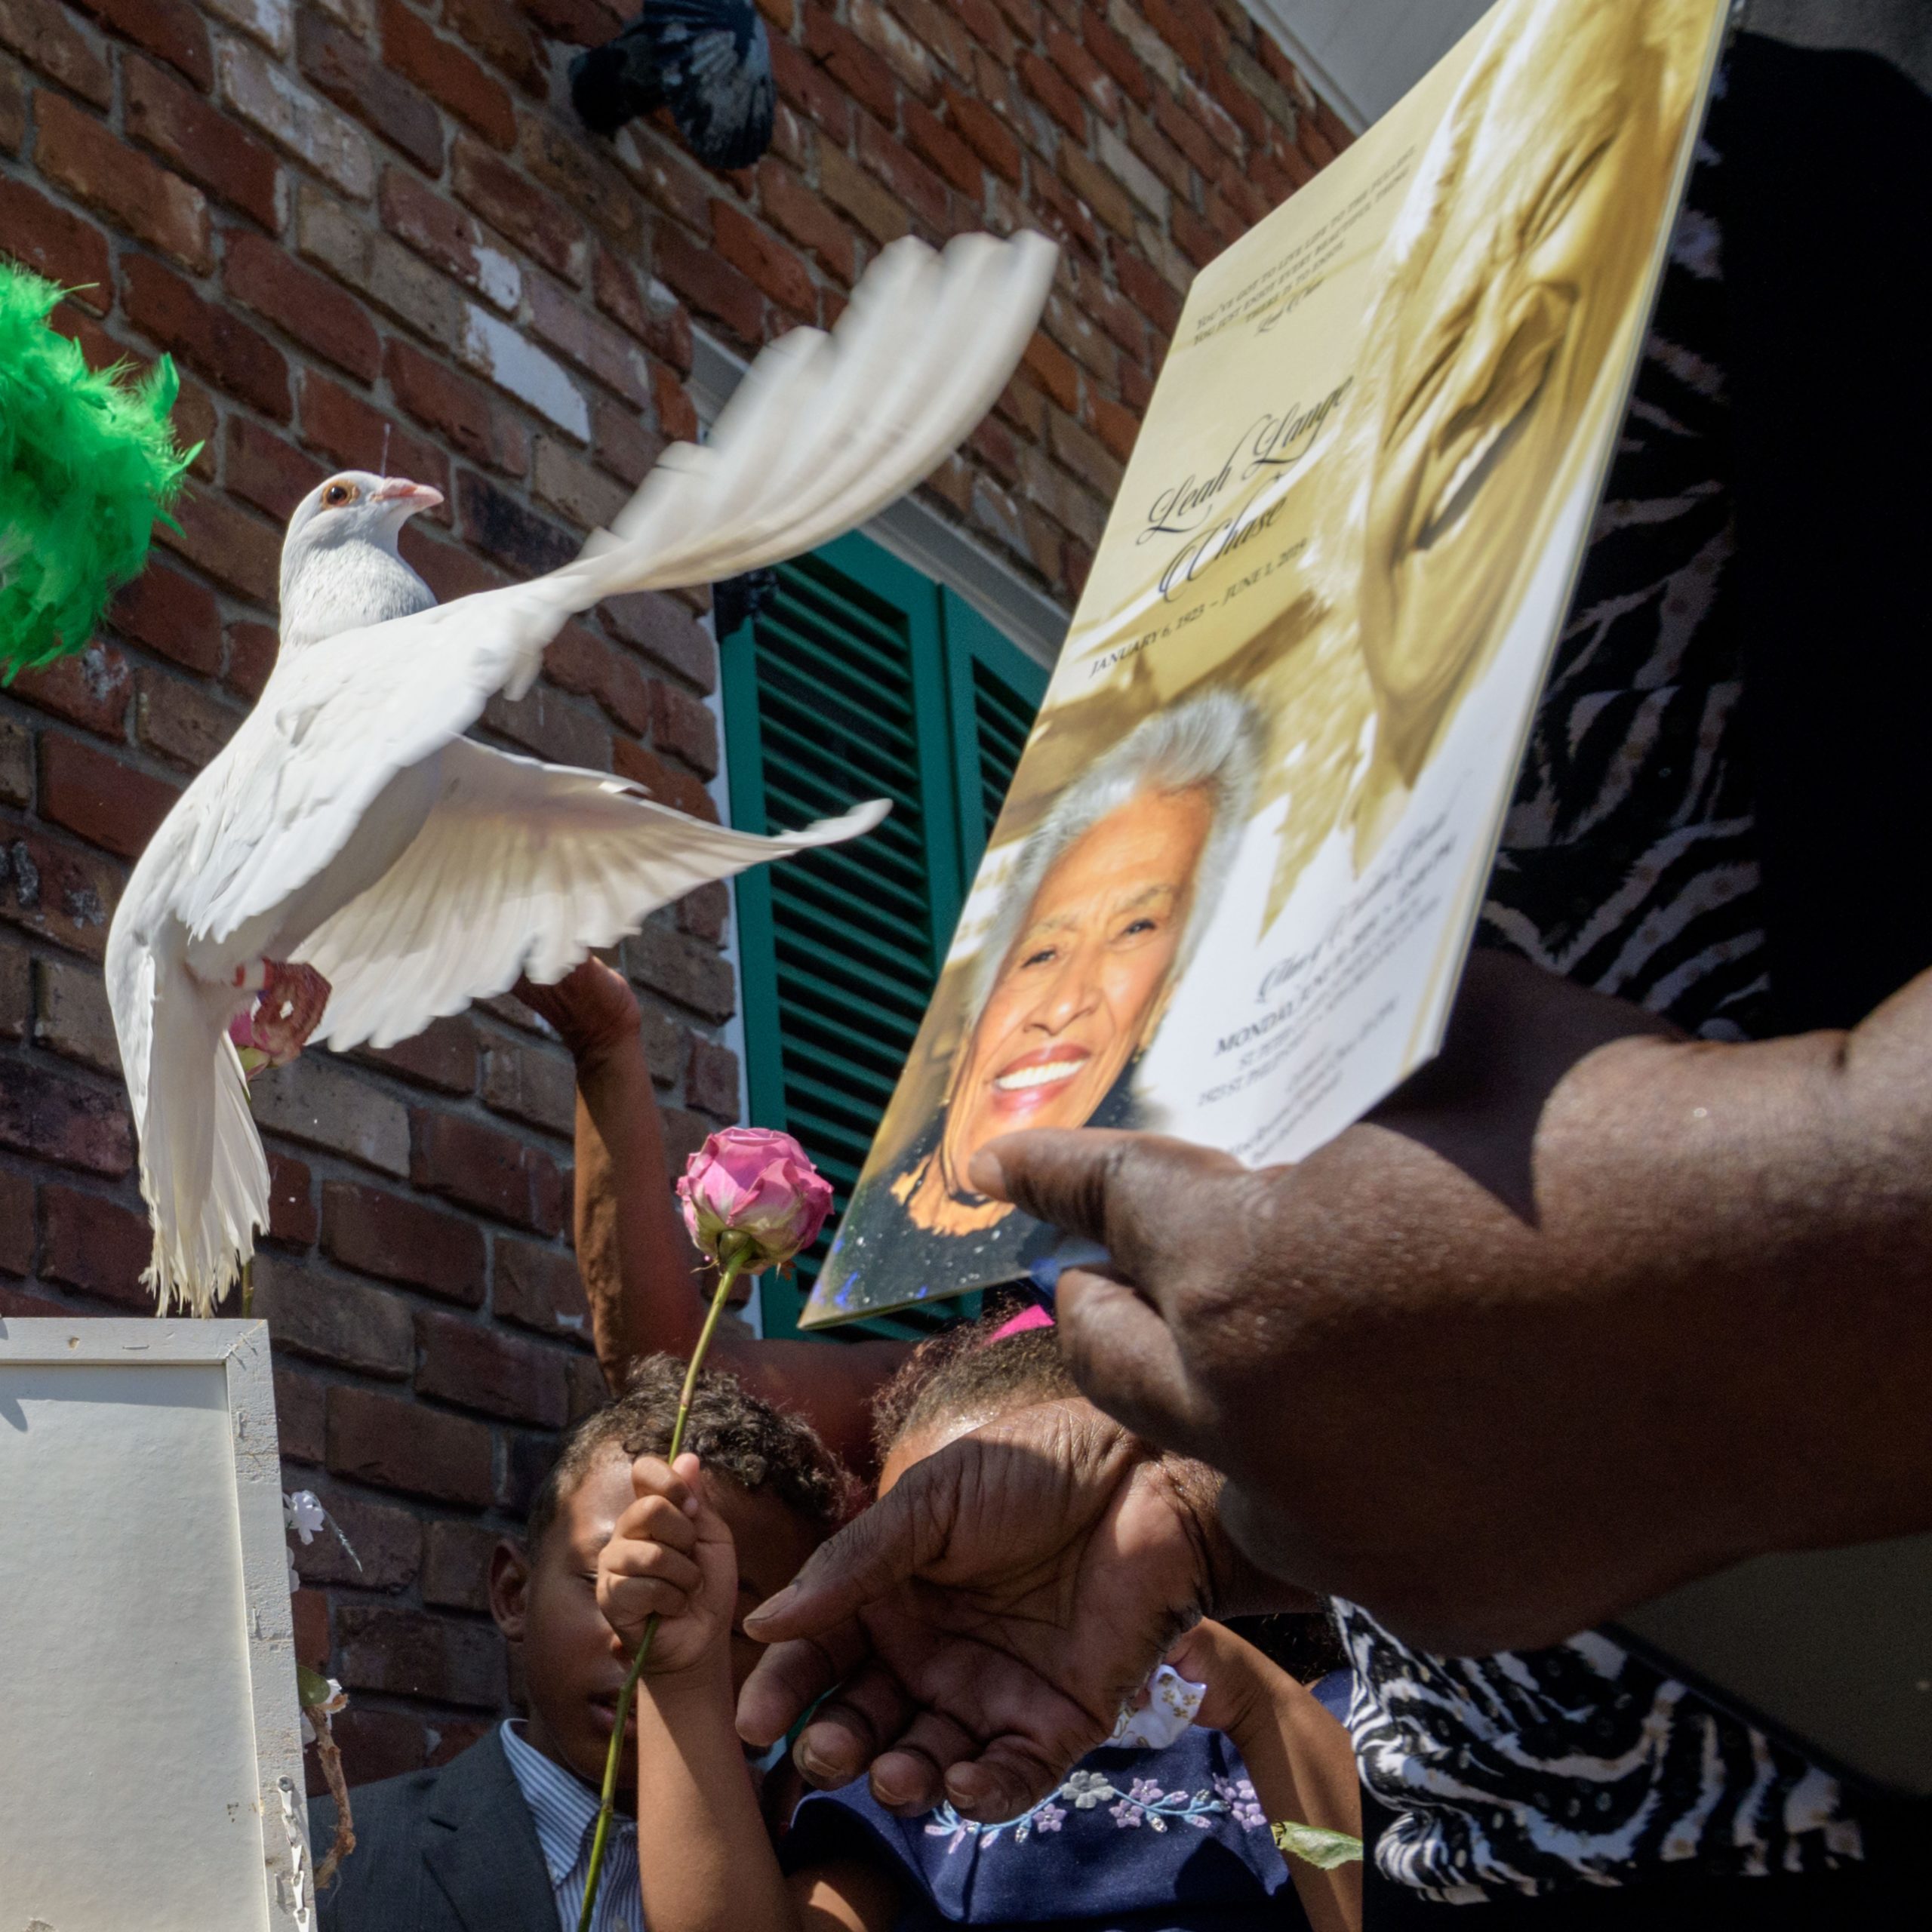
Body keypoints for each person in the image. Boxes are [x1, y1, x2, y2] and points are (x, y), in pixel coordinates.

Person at [731, 11, 1932, 1928]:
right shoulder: (1413, 270)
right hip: (1487, 1840)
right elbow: (1424, 1199)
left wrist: (1734, 1256)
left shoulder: (1806, 184)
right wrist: (1189, 1473)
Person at [601, 1315, 1361, 1932]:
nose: (972, 1606)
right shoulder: (905, 1786)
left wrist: (1255, 1701)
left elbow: (1387, 1906)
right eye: (922, 1563)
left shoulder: (1318, 1725)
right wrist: (681, 1676)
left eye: (1003, 1552)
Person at [310, 1357, 850, 1930]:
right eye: (606, 1584)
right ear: (515, 1594)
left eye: (729, 1624)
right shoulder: (325, 1862)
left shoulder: (830, 1887)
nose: (646, 1640)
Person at [820, 689, 1263, 1313]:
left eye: (1135, 930)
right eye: (1041, 953)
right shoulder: (883, 1224)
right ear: (976, 1007)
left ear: (1162, 1004)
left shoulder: (1124, 1261)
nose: (1061, 1007)